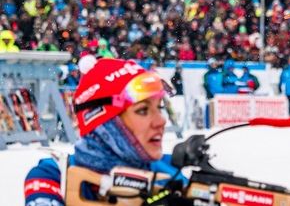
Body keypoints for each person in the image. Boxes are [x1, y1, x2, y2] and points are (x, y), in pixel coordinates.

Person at [24, 58, 179, 205]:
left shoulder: (174, 171)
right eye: (143, 110)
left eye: (160, 107)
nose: (161, 121)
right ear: (107, 124)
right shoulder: (54, 175)